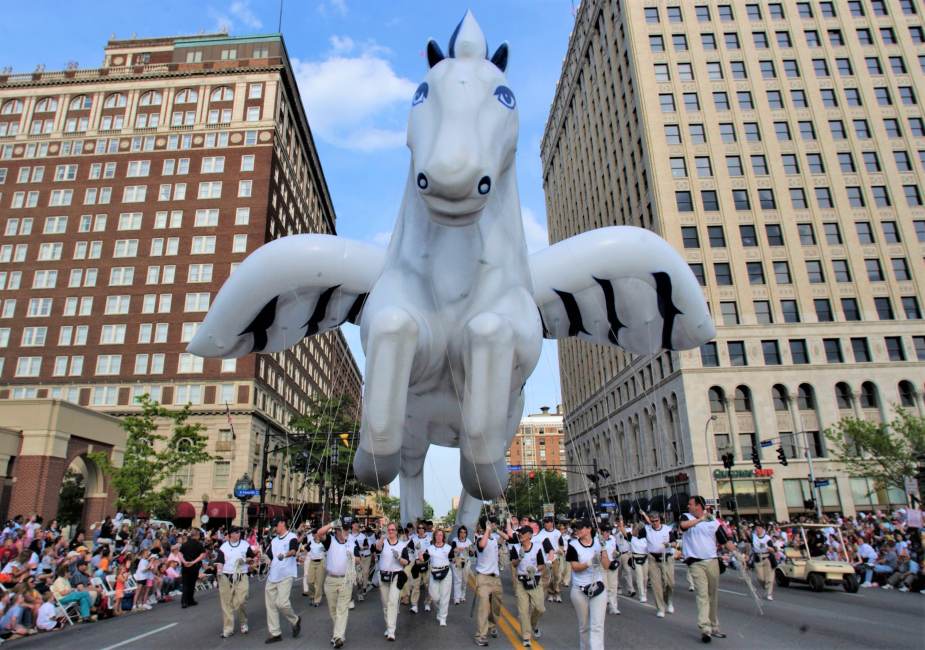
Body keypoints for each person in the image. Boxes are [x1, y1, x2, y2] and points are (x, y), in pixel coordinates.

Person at [680, 495, 736, 644]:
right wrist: (700, 520)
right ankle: (705, 629)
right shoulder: (686, 516)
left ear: (698, 506)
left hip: (711, 561)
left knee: (713, 595)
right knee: (702, 594)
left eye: (691, 504)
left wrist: (737, 554)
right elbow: (683, 526)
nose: (688, 506)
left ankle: (714, 626)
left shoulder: (713, 521)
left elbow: (724, 541)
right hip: (695, 562)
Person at [566, 519, 610, 650]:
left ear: (589, 529)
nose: (577, 530)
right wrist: (588, 563)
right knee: (584, 626)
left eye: (580, 528)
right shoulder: (573, 545)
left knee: (597, 625)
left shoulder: (598, 543)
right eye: (576, 528)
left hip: (597, 586)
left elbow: (606, 565)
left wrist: (603, 549)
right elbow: (574, 567)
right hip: (580, 589)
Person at [315, 520, 359, 648]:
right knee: (333, 609)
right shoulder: (330, 541)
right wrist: (331, 524)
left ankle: (338, 636)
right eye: (344, 529)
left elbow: (358, 559)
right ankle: (339, 633)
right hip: (331, 579)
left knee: (342, 609)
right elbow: (319, 533)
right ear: (337, 531)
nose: (346, 532)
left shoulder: (351, 542)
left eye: (347, 529)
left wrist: (353, 557)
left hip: (346, 579)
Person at [473, 518, 513, 647]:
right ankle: (481, 635)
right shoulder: (480, 538)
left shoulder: (495, 539)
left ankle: (492, 624)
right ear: (486, 525)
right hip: (483, 578)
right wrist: (488, 530)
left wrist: (497, 529)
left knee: (496, 606)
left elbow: (507, 537)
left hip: (495, 578)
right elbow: (482, 545)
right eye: (491, 523)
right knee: (484, 607)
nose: (493, 525)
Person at [264, 518, 301, 644]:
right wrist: (260, 558)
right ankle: (275, 633)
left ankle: (295, 620)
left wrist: (285, 554)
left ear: (283, 524)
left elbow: (293, 550)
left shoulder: (292, 537)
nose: (274, 528)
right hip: (273, 576)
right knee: (271, 605)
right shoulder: (274, 541)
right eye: (273, 526)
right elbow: (269, 557)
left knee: (282, 603)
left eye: (276, 525)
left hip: (286, 575)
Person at [216, 527, 256, 639]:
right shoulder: (224, 547)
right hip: (226, 576)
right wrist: (219, 572)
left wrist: (249, 560)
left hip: (241, 575)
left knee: (241, 600)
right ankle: (228, 629)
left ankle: (243, 622)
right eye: (235, 532)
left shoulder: (244, 544)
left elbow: (252, 557)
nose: (238, 534)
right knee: (226, 603)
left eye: (239, 532)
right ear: (230, 535)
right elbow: (219, 561)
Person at [510, 525, 546, 647]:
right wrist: (519, 558)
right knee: (523, 611)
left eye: (523, 533)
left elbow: (542, 565)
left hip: (535, 580)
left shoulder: (537, 548)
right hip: (521, 581)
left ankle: (533, 625)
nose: (520, 535)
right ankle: (526, 636)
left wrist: (535, 569)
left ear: (529, 535)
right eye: (519, 533)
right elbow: (514, 564)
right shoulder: (515, 547)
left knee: (540, 608)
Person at [375, 521, 410, 642]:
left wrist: (399, 558)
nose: (390, 532)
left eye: (392, 530)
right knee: (385, 603)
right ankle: (388, 626)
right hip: (384, 576)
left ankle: (391, 630)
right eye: (388, 530)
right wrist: (381, 538)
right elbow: (377, 549)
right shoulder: (383, 542)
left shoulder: (402, 545)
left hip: (396, 576)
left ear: (397, 531)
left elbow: (407, 562)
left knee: (392, 602)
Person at [641, 511, 675, 618]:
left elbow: (674, 542)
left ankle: (668, 600)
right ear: (650, 521)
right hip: (653, 559)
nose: (655, 523)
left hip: (666, 557)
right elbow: (632, 535)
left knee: (670, 583)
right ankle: (660, 608)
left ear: (660, 520)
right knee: (656, 585)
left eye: (656, 521)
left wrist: (669, 544)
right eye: (652, 521)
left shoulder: (667, 529)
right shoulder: (647, 529)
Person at [424, 528, 454, 626]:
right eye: (437, 535)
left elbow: (453, 557)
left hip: (446, 572)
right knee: (434, 596)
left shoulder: (448, 548)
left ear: (443, 537)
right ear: (434, 537)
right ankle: (440, 610)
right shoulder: (430, 548)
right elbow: (424, 558)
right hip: (434, 572)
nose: (439, 537)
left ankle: (442, 617)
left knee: (445, 595)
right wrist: (420, 557)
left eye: (441, 535)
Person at [534, 516, 562, 603]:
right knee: (547, 577)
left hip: (555, 557)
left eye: (547, 522)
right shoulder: (541, 533)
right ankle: (550, 593)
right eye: (545, 522)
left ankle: (557, 593)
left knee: (557, 576)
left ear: (552, 523)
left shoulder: (557, 533)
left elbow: (561, 545)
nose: (546, 524)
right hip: (545, 559)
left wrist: (560, 550)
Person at [179, 529, 206, 609]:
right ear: (197, 535)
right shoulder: (199, 544)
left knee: (185, 584)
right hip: (194, 566)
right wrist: (193, 562)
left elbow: (180, 554)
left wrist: (184, 562)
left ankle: (184, 601)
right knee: (192, 583)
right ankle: (190, 600)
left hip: (185, 566)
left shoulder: (185, 544)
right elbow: (203, 555)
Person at [750, 523, 775, 601]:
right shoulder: (753, 537)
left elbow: (773, 549)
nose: (757, 530)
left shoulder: (767, 538)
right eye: (756, 528)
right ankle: (766, 587)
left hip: (767, 558)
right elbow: (746, 538)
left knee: (769, 578)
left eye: (759, 528)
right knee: (760, 578)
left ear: (762, 529)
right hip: (758, 559)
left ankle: (769, 594)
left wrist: (766, 547)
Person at [303, 525, 326, 606]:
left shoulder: (324, 542)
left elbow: (328, 550)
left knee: (319, 582)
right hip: (312, 563)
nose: (313, 535)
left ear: (318, 534)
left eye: (314, 534)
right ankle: (312, 596)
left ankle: (317, 600)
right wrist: (302, 557)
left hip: (321, 563)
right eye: (312, 534)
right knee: (309, 581)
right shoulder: (311, 542)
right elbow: (306, 550)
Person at [599, 526, 620, 615]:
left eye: (609, 531)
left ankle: (613, 607)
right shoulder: (598, 540)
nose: (608, 533)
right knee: (605, 587)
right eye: (606, 532)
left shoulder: (612, 539)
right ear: (602, 532)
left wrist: (617, 554)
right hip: (602, 566)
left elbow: (616, 550)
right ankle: (602, 605)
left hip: (612, 565)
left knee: (613, 587)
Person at [451, 526, 473, 605]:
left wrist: (470, 550)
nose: (462, 534)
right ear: (458, 533)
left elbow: (471, 553)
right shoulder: (455, 540)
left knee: (464, 580)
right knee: (457, 580)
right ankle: (456, 598)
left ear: (466, 533)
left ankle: (462, 595)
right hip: (457, 562)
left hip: (466, 562)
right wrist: (457, 549)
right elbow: (452, 549)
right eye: (461, 532)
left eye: (464, 532)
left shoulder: (468, 541)